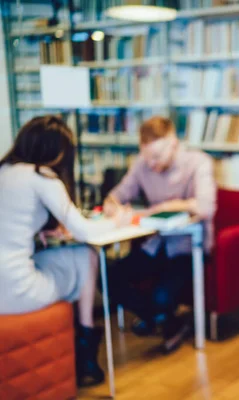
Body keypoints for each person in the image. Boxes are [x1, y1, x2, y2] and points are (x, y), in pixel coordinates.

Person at [0, 116, 132, 387]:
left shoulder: (4, 170)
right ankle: (85, 351)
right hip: (16, 292)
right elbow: (86, 232)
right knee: (87, 255)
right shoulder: (41, 175)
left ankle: (80, 349)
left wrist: (38, 231)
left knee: (61, 257)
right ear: (56, 152)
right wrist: (118, 221)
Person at [103, 116, 216, 353]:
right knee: (107, 276)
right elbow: (117, 195)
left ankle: (158, 316)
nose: (152, 164)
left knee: (161, 296)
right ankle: (164, 320)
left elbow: (206, 206)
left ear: (173, 143)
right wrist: (113, 207)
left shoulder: (198, 162)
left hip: (188, 247)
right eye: (147, 157)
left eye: (157, 157)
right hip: (155, 245)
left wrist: (167, 207)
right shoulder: (142, 164)